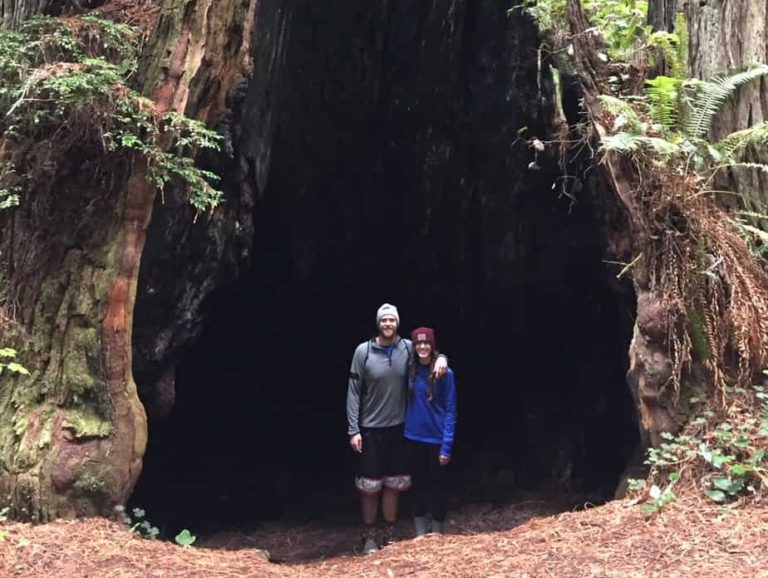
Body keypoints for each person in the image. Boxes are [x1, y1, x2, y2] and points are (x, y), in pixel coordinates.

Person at [346, 303, 447, 554]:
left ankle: (389, 532)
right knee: (370, 486)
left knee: (393, 484)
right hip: (370, 428)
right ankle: (369, 535)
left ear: (397, 323)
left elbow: (428, 353)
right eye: (384, 320)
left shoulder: (406, 348)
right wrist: (353, 429)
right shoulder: (364, 351)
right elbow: (353, 393)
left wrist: (443, 357)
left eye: (392, 320)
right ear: (378, 323)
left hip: (399, 427)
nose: (388, 324)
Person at [404, 326, 457, 536]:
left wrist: (447, 445)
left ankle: (436, 532)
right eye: (418, 343)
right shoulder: (409, 370)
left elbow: (451, 410)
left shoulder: (445, 374)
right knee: (418, 486)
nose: (422, 347)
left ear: (432, 346)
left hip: (436, 438)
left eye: (426, 343)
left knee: (438, 488)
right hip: (412, 436)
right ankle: (420, 532)